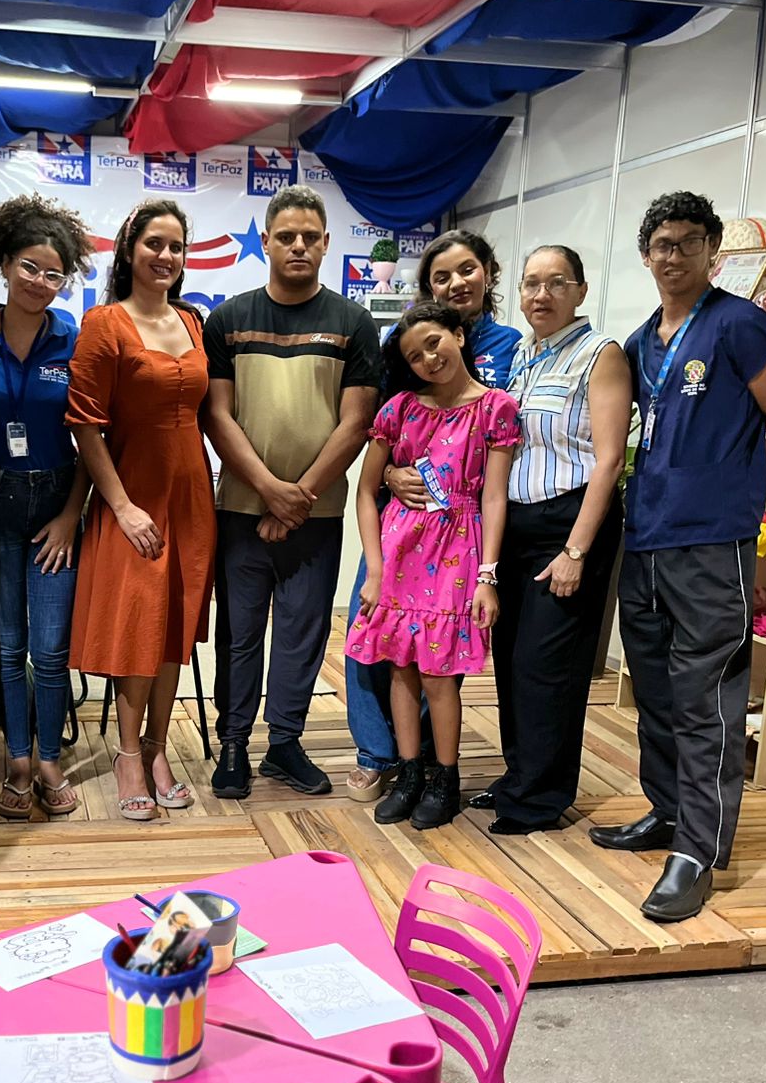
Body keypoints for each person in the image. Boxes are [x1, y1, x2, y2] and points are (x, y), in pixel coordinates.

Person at [591, 191, 766, 923]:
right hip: (647, 537)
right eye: (663, 243)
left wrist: (740, 503)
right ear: (645, 255)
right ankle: (666, 810)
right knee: (656, 691)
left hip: (712, 544)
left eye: (690, 242)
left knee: (706, 698)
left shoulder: (738, 324)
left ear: (712, 251)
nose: (675, 255)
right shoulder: (640, 340)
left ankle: (697, 851)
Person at [204, 185, 379, 799]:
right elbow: (217, 415)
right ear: (266, 243)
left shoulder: (353, 323)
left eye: (309, 236)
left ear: (326, 243)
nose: (298, 245)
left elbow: (357, 422)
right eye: (286, 236)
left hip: (317, 514)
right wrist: (269, 490)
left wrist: (297, 496)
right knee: (240, 632)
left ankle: (284, 744)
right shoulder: (228, 319)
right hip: (239, 510)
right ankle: (233, 743)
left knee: (303, 632)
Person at [345, 228, 522, 800]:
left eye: (435, 344)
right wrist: (374, 566)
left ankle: (444, 777)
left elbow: (493, 495)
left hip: (458, 551)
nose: (428, 358)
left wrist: (488, 574)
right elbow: (366, 487)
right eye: (414, 354)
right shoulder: (400, 407)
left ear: (459, 335)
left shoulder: (499, 396)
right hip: (399, 547)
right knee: (397, 662)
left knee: (440, 673)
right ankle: (404, 770)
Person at [471, 245, 631, 835]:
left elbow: (609, 460)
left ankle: (540, 799)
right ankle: (521, 775)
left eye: (556, 283)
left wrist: (576, 551)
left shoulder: (600, 354)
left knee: (549, 667)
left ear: (581, 291)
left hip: (569, 525)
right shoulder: (523, 355)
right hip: (516, 524)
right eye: (531, 284)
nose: (541, 295)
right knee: (513, 662)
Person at [67, 199, 215, 821]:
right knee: (137, 627)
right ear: (129, 251)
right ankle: (128, 755)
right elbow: (85, 425)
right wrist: (122, 507)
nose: (166, 256)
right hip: (134, 498)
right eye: (155, 243)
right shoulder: (105, 323)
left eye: (176, 246)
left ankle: (157, 749)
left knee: (175, 625)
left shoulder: (193, 320)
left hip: (192, 498)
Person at [0, 195, 93, 820]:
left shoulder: (74, 339)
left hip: (57, 501)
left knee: (51, 649)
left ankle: (49, 760)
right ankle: (17, 760)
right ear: (5, 263)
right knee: (8, 646)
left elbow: (92, 437)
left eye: (54, 273)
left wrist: (70, 515)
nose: (40, 281)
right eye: (29, 267)